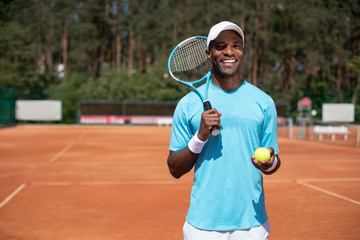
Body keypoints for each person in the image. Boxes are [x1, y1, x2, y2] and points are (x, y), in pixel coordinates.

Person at [167, 21, 281, 240]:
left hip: (252, 224)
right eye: (221, 46)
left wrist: (270, 163)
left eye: (236, 45)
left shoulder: (264, 102)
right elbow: (174, 169)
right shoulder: (188, 104)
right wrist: (200, 137)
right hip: (202, 225)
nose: (229, 51)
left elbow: (274, 161)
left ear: (242, 51)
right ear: (209, 53)